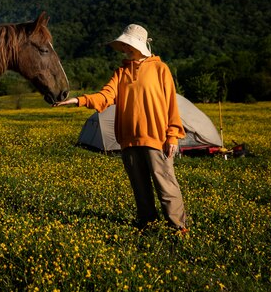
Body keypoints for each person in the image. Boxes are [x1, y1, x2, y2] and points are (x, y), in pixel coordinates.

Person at [54, 24, 188, 232]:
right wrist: (77, 101)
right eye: (124, 46)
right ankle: (147, 225)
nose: (125, 49)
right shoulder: (121, 72)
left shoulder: (160, 69)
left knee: (166, 185)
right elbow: (104, 96)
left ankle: (178, 227)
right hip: (128, 140)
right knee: (140, 187)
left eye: (128, 45)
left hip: (156, 138)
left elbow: (171, 104)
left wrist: (172, 136)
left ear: (139, 46)